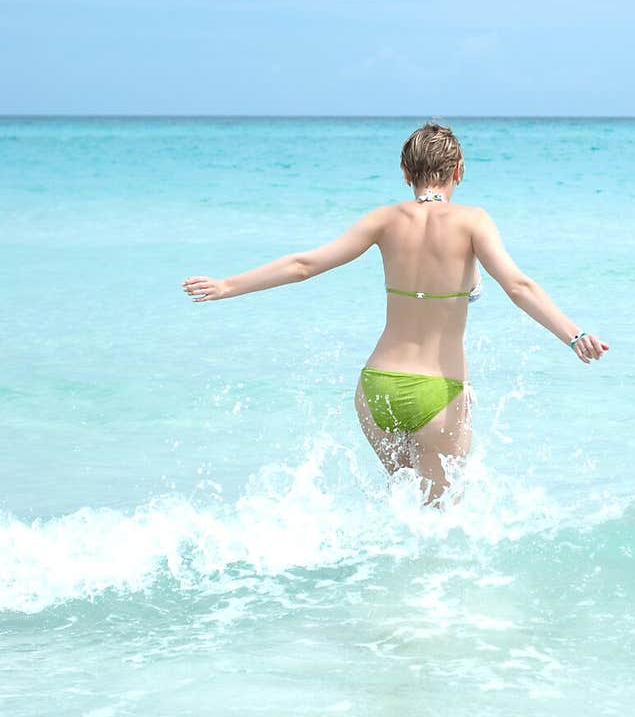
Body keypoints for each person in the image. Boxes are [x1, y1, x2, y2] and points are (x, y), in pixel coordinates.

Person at [182, 122, 609, 505]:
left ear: (406, 174)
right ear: (459, 171)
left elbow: (304, 265)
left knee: (406, 507)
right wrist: (573, 335)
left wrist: (227, 285)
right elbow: (518, 286)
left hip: (376, 389)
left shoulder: (383, 220)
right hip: (439, 393)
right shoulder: (473, 221)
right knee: (442, 519)